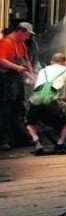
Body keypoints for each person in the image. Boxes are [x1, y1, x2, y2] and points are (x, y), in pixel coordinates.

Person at [25, 52, 66, 155]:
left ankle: (37, 142)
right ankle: (60, 144)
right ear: (64, 62)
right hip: (52, 99)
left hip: (35, 98)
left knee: (29, 122)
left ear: (51, 62)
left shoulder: (43, 70)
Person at [0, 22, 36, 151]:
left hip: (17, 80)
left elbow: (26, 60)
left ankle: (19, 137)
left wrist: (32, 75)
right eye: (27, 35)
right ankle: (3, 140)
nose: (28, 38)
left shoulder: (21, 44)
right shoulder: (6, 42)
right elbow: (1, 60)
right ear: (20, 31)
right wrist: (16, 67)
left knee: (19, 108)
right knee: (5, 110)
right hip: (6, 80)